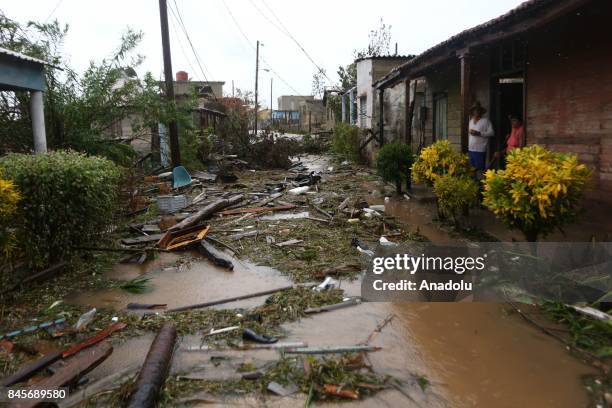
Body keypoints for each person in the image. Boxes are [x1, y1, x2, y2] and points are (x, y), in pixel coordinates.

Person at [467, 102, 494, 172]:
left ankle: (481, 182)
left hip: (480, 149)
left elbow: (492, 133)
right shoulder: (471, 121)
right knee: (472, 169)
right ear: (472, 112)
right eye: (475, 110)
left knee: (480, 169)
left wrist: (479, 133)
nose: (476, 112)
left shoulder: (485, 121)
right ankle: (474, 182)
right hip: (471, 148)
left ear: (481, 112)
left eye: (478, 110)